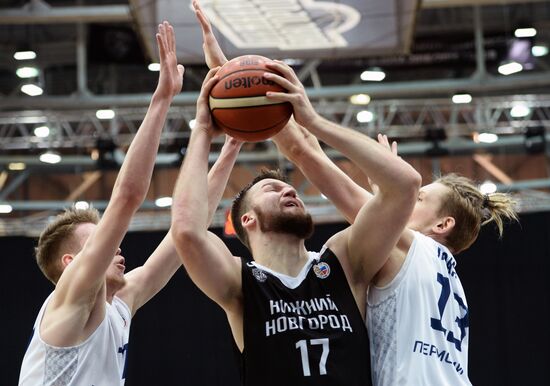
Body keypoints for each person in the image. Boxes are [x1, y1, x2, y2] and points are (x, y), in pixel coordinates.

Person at [170, 40, 421, 385]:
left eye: (288, 188)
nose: (289, 189)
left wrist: (313, 122)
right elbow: (186, 230)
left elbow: (404, 186)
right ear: (248, 219)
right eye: (272, 190)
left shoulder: (344, 260)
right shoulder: (239, 283)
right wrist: (201, 131)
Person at [18, 21, 242, 386]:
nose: (116, 245)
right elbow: (127, 198)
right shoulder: (70, 300)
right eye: (99, 242)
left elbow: (185, 232)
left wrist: (232, 144)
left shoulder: (119, 303)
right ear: (71, 264)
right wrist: (163, 98)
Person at [271, 116, 518, 385]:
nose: (409, 201)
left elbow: (304, 153)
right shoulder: (449, 278)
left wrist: (293, 112)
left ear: (443, 224)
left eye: (419, 198)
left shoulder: (410, 247)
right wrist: (383, 194)